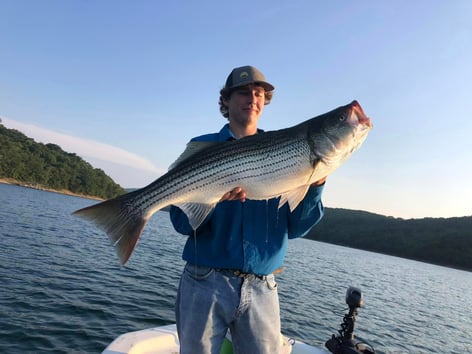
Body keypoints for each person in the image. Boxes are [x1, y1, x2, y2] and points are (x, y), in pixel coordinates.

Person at [169, 65, 327, 354]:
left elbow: (297, 228)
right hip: (204, 280)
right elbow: (181, 222)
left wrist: (316, 185)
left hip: (262, 287)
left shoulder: (285, 151)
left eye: (258, 93)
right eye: (243, 92)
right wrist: (214, 200)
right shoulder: (203, 147)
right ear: (226, 101)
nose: (252, 98)